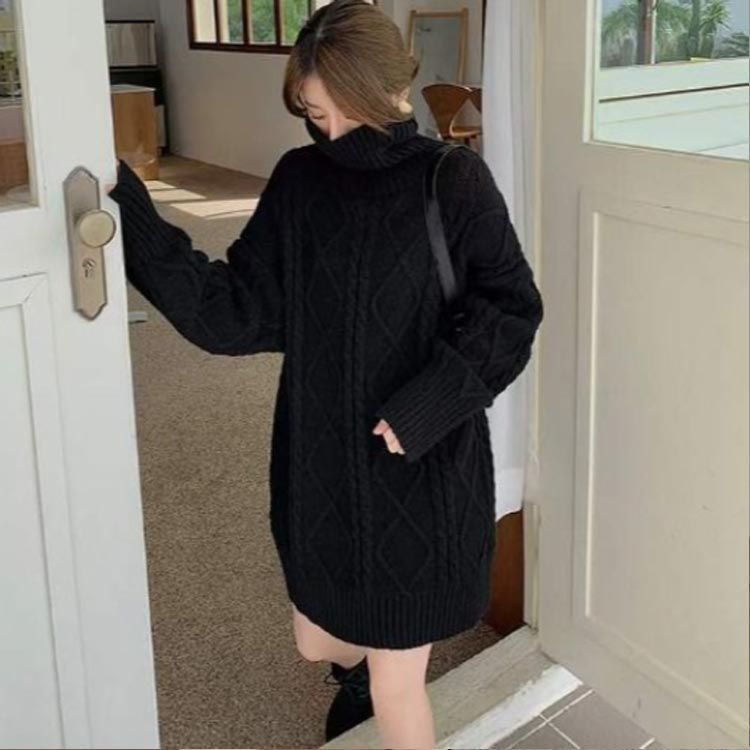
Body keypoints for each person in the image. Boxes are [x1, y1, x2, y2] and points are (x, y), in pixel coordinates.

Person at [106, 1, 544, 747]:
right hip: (320, 464)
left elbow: (511, 309)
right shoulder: (301, 179)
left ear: (391, 89)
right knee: (316, 639)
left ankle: (377, 689)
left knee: (397, 687)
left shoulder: (452, 179)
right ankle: (356, 675)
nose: (332, 133)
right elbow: (235, 311)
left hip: (418, 471)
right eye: (314, 113)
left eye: (345, 110)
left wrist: (427, 405)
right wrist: (130, 209)